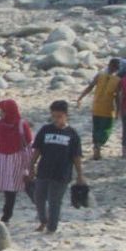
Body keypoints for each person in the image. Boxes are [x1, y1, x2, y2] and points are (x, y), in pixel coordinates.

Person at [27, 99, 84, 235]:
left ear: (66, 115)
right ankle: (43, 221)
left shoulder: (72, 134)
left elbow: (76, 157)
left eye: (59, 116)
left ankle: (52, 228)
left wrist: (80, 175)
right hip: (44, 170)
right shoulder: (45, 130)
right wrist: (31, 166)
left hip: (62, 173)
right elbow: (37, 150)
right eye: (54, 116)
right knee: (38, 197)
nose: (56, 119)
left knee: (54, 201)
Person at [87, 59, 122, 156]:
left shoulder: (99, 76)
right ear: (117, 69)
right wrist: (118, 111)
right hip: (107, 109)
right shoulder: (118, 80)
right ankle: (98, 145)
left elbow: (90, 87)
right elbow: (118, 97)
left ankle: (95, 146)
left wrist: (81, 97)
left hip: (96, 107)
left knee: (96, 128)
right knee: (106, 129)